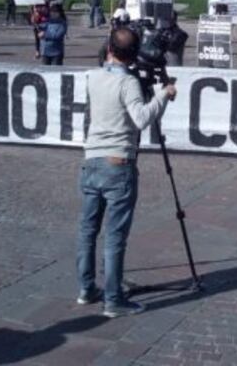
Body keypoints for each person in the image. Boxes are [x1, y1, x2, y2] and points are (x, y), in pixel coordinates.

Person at [78, 28, 176, 317]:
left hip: (91, 160)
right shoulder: (129, 83)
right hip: (117, 163)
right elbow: (141, 118)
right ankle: (113, 300)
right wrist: (163, 94)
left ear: (109, 48)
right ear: (134, 55)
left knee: (87, 231)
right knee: (114, 235)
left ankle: (86, 289)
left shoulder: (93, 76)